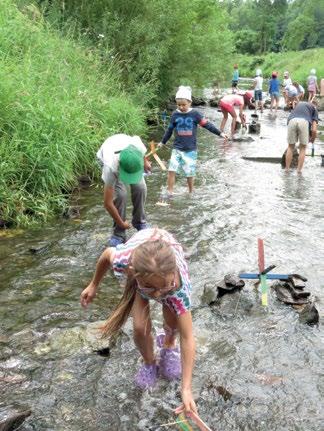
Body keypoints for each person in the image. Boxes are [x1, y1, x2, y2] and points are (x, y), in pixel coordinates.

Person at [80, 227, 197, 415]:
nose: (158, 295)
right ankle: (149, 361)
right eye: (152, 288)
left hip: (168, 281)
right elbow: (106, 254)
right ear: (132, 272)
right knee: (140, 328)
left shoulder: (178, 286)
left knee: (173, 322)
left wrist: (186, 388)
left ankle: (168, 344)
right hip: (142, 270)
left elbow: (188, 337)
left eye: (162, 288)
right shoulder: (124, 261)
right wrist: (93, 285)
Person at [158, 86, 227, 195]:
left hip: (190, 150)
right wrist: (162, 142)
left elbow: (207, 125)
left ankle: (191, 192)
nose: (181, 107)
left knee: (189, 173)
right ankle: (170, 192)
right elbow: (169, 130)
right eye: (178, 105)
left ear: (190, 102)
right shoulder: (175, 115)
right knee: (171, 170)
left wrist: (220, 133)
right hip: (177, 148)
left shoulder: (195, 114)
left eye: (183, 104)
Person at [96, 134, 151, 247]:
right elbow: (108, 203)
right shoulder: (110, 167)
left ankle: (139, 222)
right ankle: (119, 233)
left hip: (128, 156)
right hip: (107, 154)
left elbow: (142, 151)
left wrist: (145, 162)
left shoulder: (137, 147)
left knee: (141, 188)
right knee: (120, 195)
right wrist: (122, 223)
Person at [285, 100, 318, 173]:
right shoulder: (314, 109)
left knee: (290, 146)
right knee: (303, 148)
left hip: (291, 120)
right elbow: (314, 130)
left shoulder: (299, 104)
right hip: (304, 121)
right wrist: (312, 139)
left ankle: (287, 169)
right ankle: (298, 171)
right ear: (315, 105)